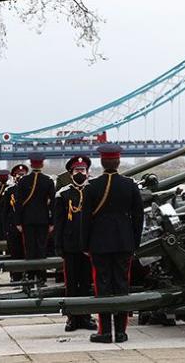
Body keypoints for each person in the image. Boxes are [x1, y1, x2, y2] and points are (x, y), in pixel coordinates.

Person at [81, 144, 143, 344]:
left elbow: (85, 219)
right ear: (118, 162)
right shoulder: (130, 185)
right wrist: (135, 242)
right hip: (124, 242)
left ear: (102, 161)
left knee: (102, 286)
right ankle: (122, 332)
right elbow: (138, 217)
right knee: (122, 285)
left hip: (99, 243)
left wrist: (85, 244)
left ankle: (105, 331)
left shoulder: (92, 186)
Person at [53, 156, 96, 331]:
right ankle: (72, 317)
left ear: (88, 172)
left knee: (86, 283)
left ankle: (86, 316)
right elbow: (58, 222)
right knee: (70, 284)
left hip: (88, 246)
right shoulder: (62, 194)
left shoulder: (93, 191)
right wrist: (58, 245)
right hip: (69, 245)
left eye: (83, 170)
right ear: (71, 173)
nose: (80, 173)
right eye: (77, 171)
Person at [14, 153, 55, 283]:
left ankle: (31, 276)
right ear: (42, 164)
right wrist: (52, 222)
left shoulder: (23, 181)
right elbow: (53, 203)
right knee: (42, 248)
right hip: (43, 219)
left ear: (31, 165)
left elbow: (18, 203)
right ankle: (41, 277)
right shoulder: (48, 181)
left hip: (27, 220)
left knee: (30, 249)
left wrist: (18, 221)